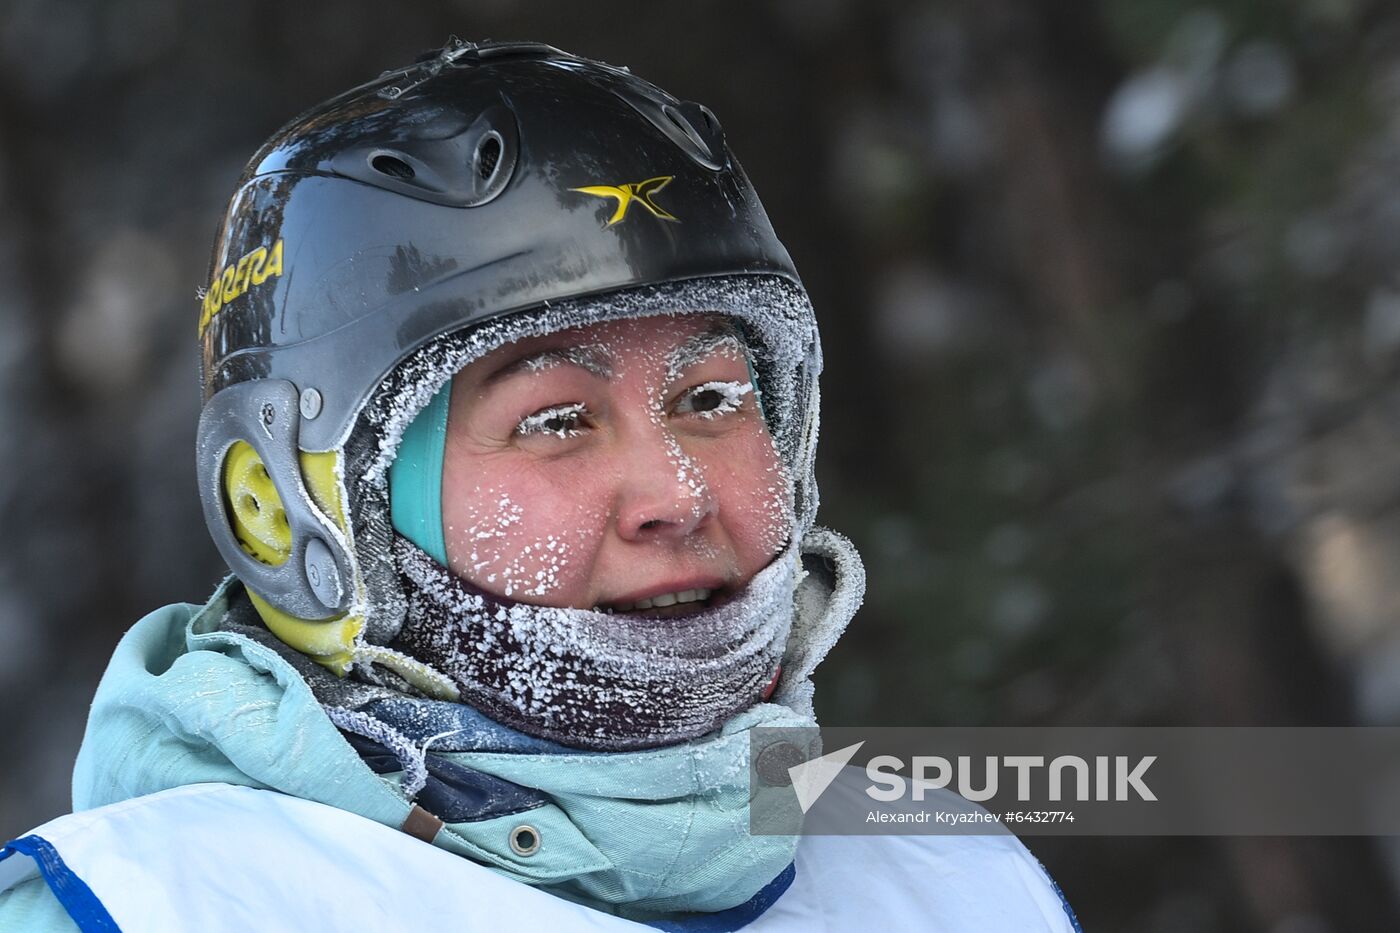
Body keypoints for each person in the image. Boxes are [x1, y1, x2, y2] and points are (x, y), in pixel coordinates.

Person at [0, 39, 1081, 931]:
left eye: (710, 398)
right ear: (286, 512)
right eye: (556, 420)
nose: (677, 495)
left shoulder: (946, 876)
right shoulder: (148, 909)